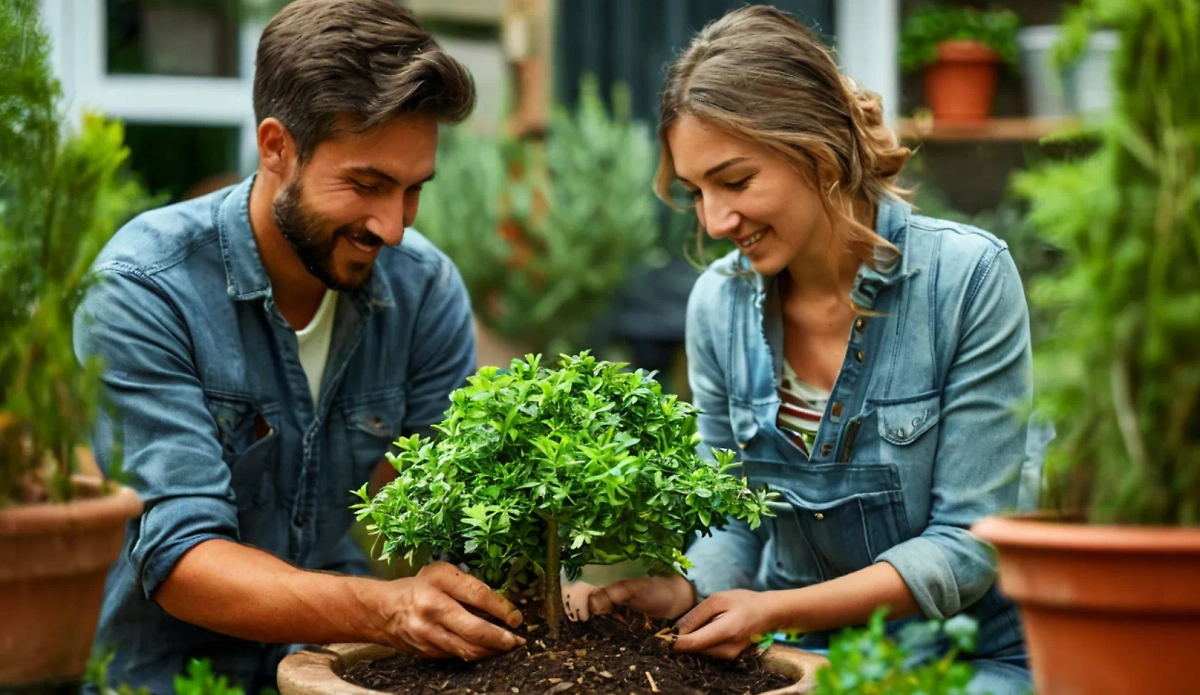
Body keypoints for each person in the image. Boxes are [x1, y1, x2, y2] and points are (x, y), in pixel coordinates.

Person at [564, 6, 1036, 694]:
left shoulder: (967, 281)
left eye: (735, 180)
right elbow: (732, 515)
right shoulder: (717, 307)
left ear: (817, 148)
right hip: (790, 659)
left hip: (960, 662)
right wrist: (688, 589)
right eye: (697, 192)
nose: (715, 221)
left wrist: (772, 609)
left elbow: (969, 543)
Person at [74, 1, 525, 692]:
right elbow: (182, 558)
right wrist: (389, 606)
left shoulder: (423, 287)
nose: (394, 227)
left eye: (412, 191)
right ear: (277, 146)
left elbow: (462, 520)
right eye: (367, 185)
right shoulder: (145, 289)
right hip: (170, 675)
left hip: (332, 665)